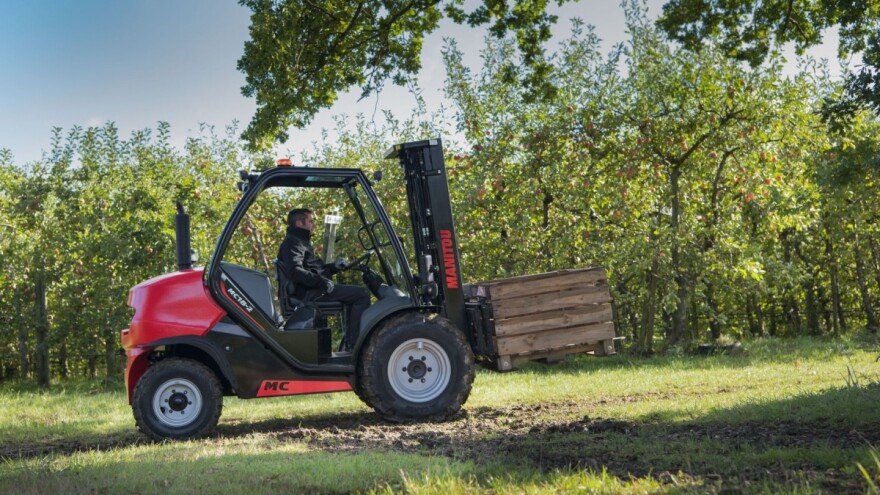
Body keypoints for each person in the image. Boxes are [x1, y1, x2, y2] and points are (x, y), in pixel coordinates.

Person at [278, 208, 370, 351]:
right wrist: (321, 281)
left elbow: (313, 269)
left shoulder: (300, 241)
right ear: (299, 223)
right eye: (310, 221)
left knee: (354, 295)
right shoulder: (292, 243)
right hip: (310, 293)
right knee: (361, 294)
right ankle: (354, 344)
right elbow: (296, 272)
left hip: (314, 288)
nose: (313, 224)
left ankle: (350, 342)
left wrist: (334, 267)